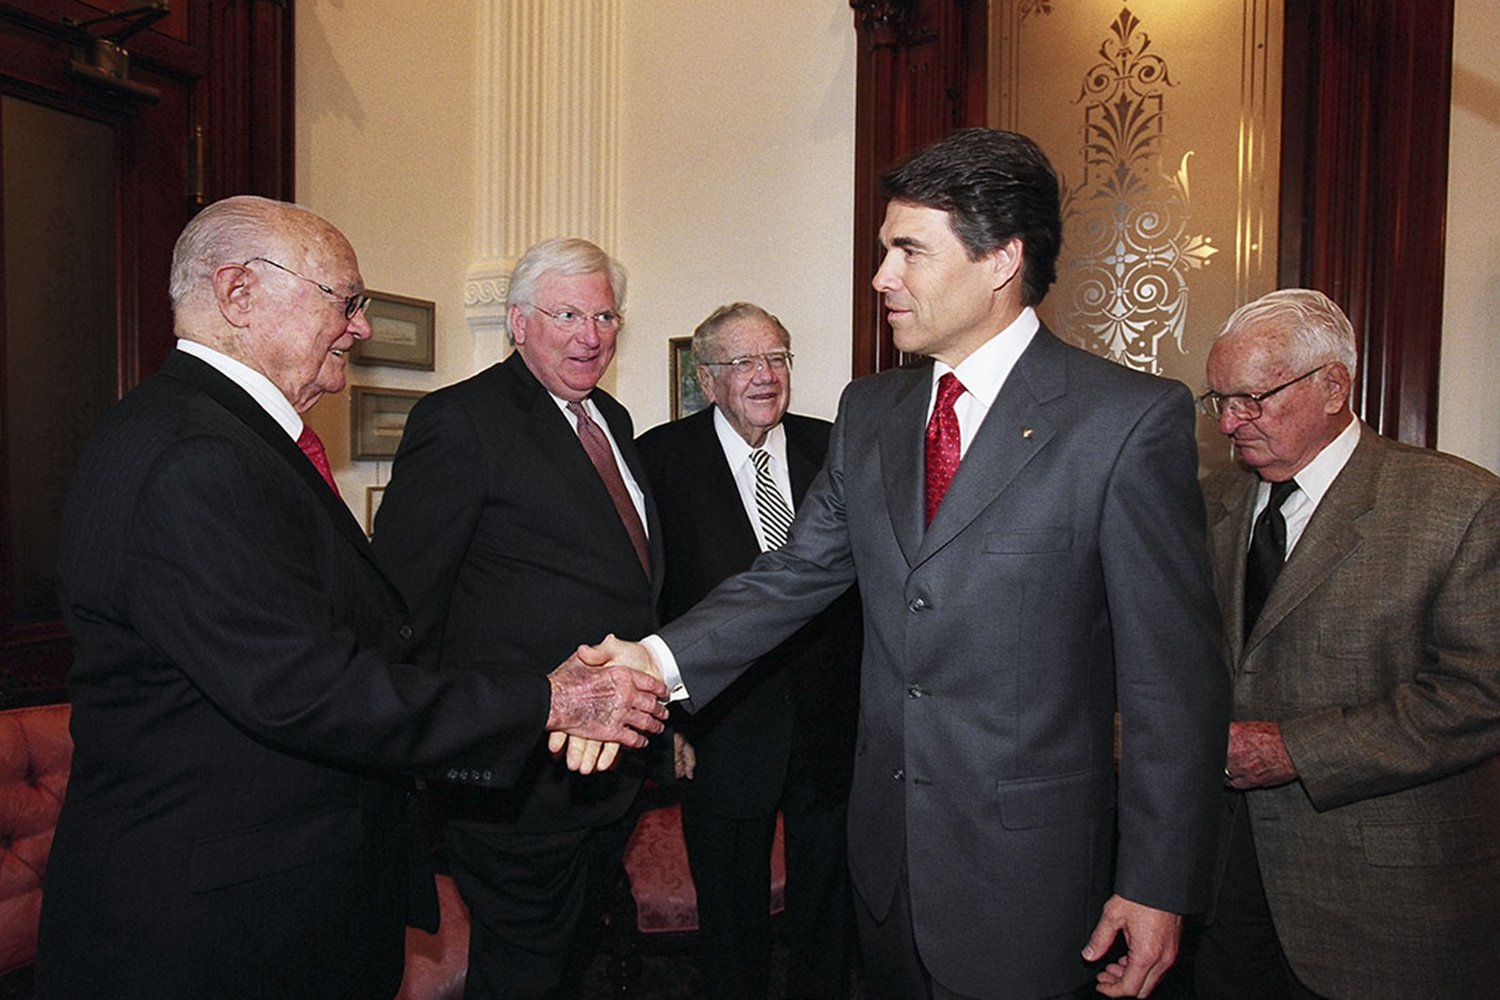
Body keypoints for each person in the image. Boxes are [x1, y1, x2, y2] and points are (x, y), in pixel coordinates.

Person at [577, 128, 1229, 1000]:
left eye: (908, 251)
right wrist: (650, 661)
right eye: (885, 250)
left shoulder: (1125, 422)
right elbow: (796, 574)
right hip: (883, 864)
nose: (882, 276)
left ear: (1001, 259)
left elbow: (1171, 681)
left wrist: (1157, 881)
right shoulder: (872, 411)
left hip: (1029, 876)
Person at [35, 197, 667, 1000]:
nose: (362, 327)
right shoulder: (191, 455)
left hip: (279, 892)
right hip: (221, 926)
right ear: (238, 294)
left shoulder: (226, 437)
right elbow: (313, 683)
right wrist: (545, 701)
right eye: (345, 300)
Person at [370, 237, 665, 1000]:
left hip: (608, 770)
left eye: (605, 315)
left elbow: (627, 583)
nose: (590, 334)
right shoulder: (459, 421)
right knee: (522, 973)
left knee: (569, 964)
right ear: (517, 322)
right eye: (566, 312)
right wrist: (439, 757)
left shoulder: (615, 420)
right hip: (513, 778)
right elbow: (406, 607)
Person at [1191, 288, 1500, 1000]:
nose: (1232, 422)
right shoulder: (1213, 503)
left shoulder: (1459, 506)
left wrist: (1295, 749)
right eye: (1220, 400)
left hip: (1385, 914)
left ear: (1333, 385)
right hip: (1225, 896)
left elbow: (1480, 696)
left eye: (1252, 398)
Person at [636, 302, 861, 1000]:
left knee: (829, 908)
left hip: (833, 724)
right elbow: (652, 597)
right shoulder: (660, 460)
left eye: (777, 359)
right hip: (723, 728)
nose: (765, 377)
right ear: (707, 379)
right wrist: (670, 722)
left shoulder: (836, 447)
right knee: (730, 920)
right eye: (743, 362)